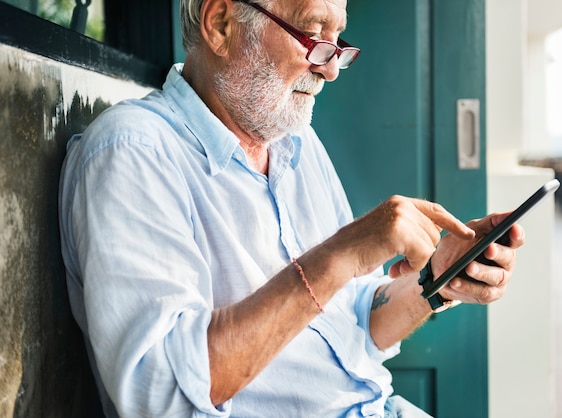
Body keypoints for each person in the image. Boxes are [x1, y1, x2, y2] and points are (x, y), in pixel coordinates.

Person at [58, 0, 524, 417]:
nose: (330, 68)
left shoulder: (294, 140)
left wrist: (438, 280)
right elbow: (161, 396)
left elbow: (356, 320)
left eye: (337, 42)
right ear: (220, 24)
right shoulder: (133, 151)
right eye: (313, 32)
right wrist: (340, 254)